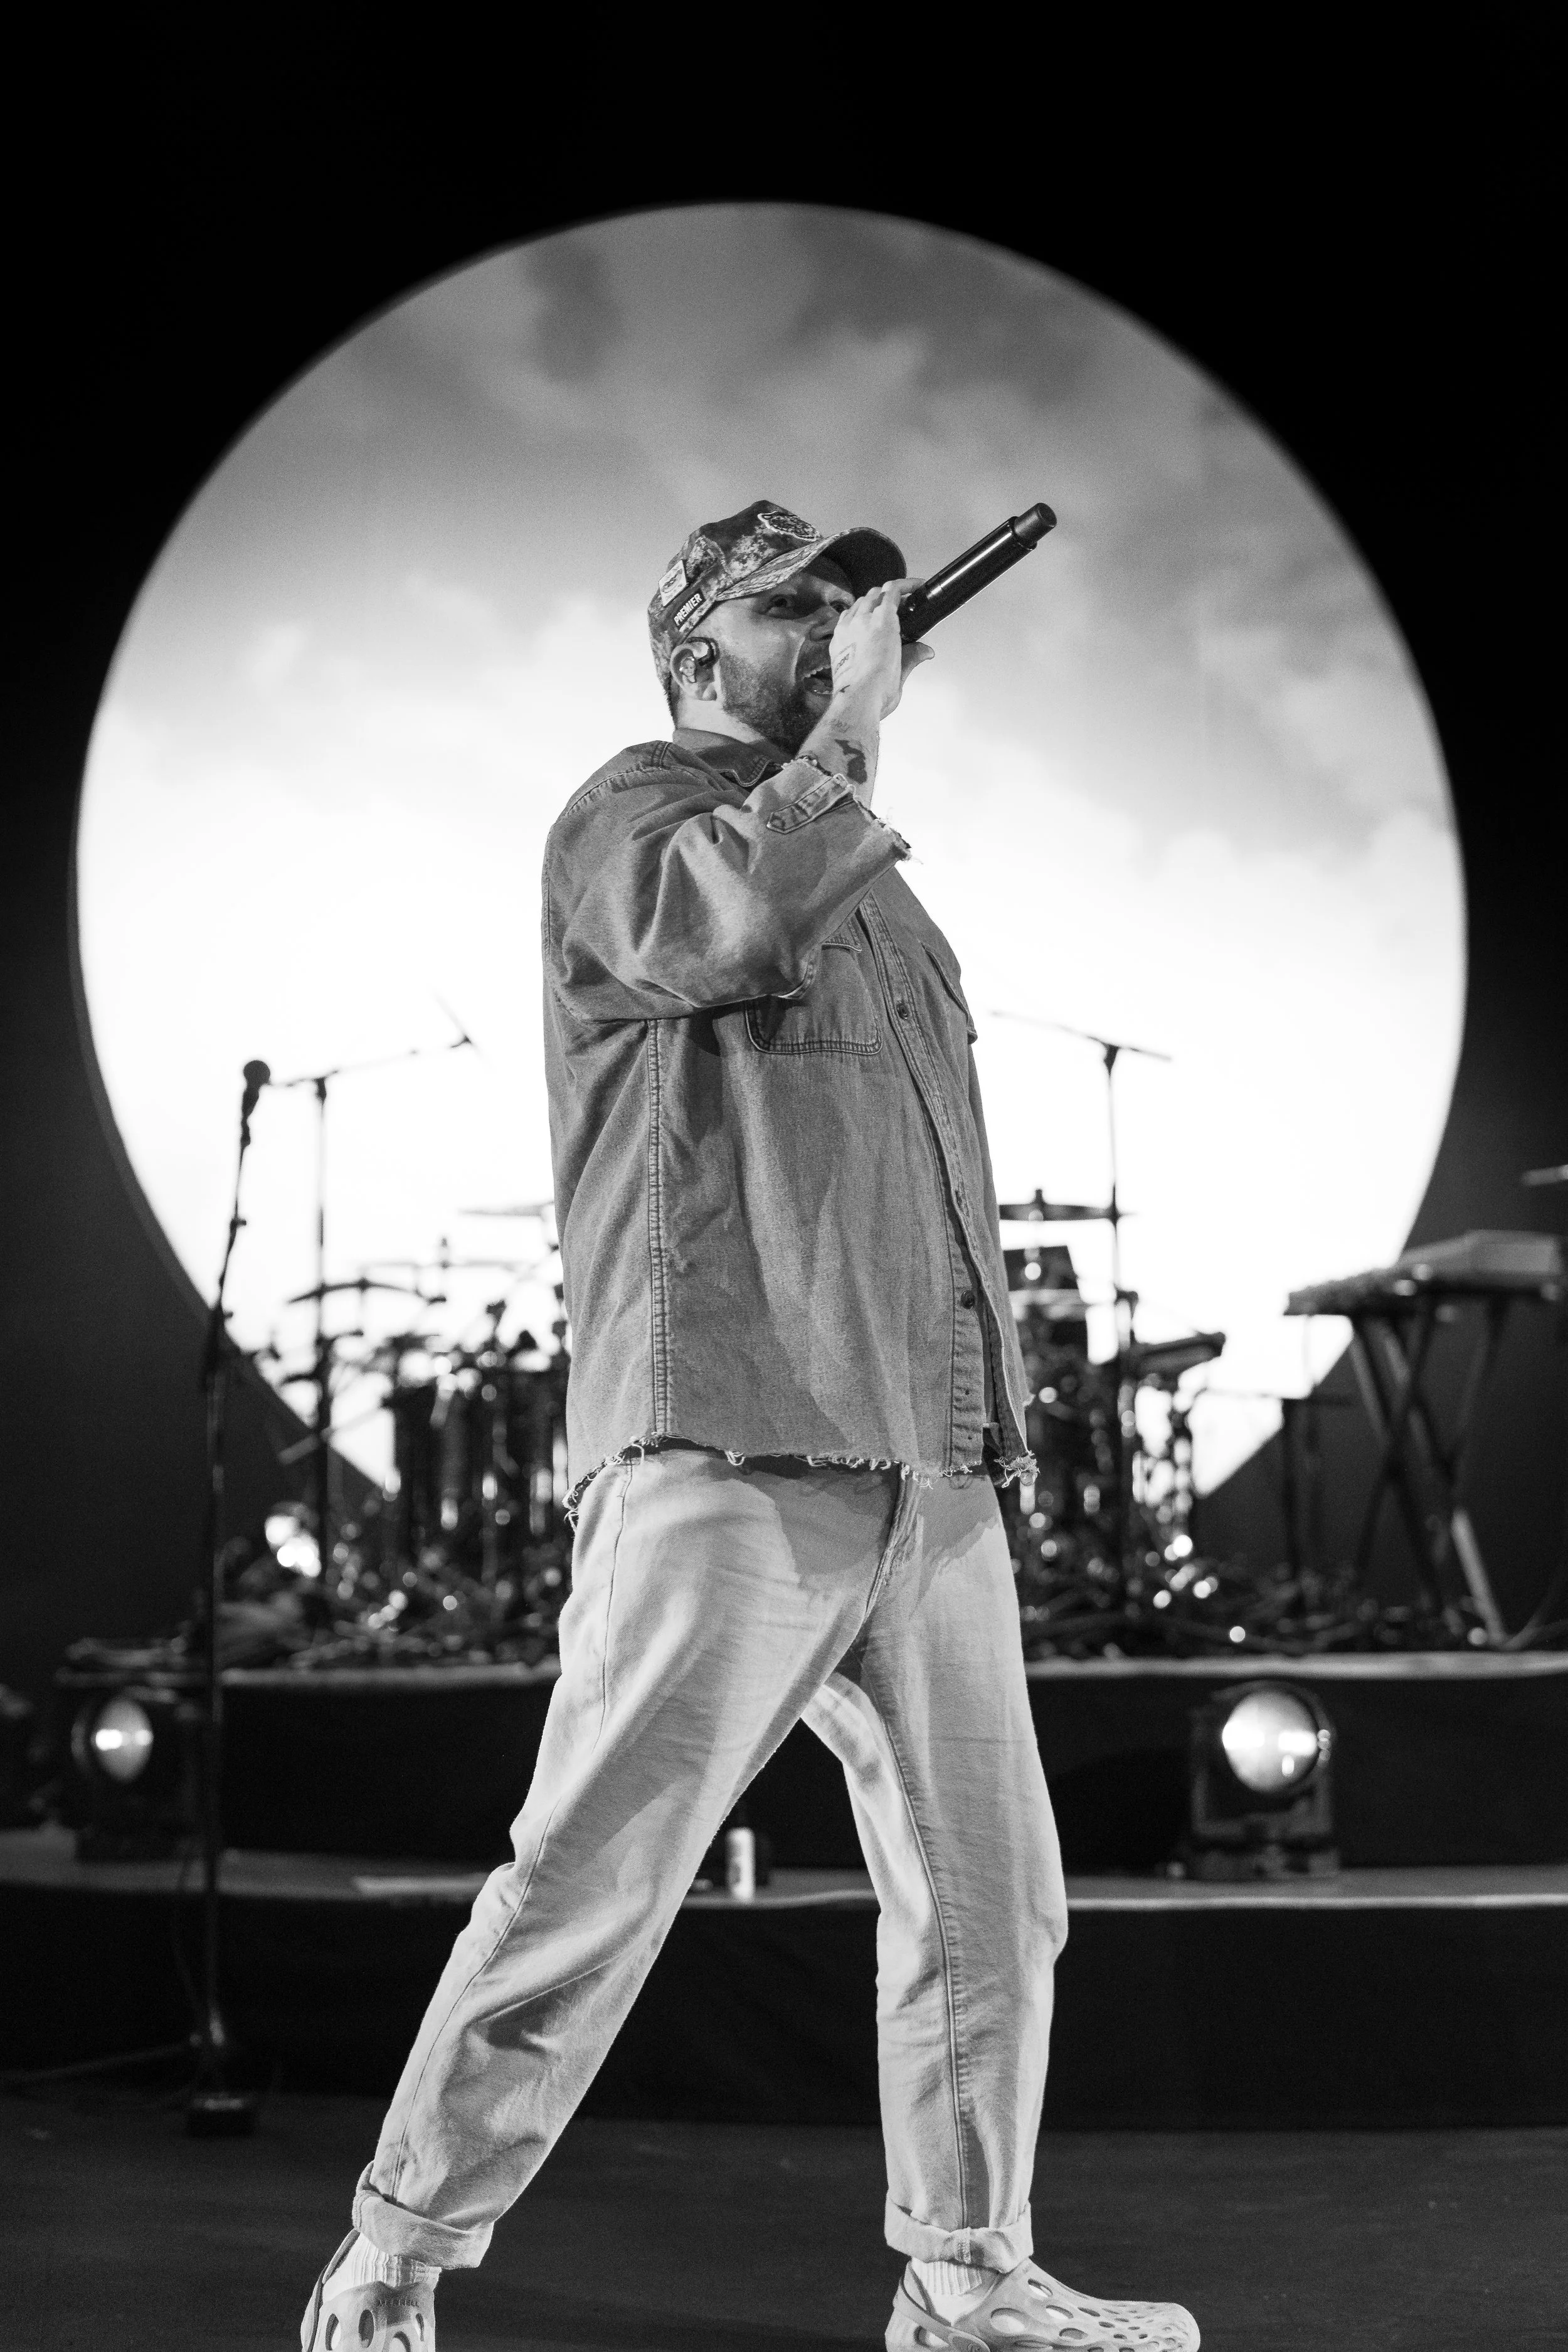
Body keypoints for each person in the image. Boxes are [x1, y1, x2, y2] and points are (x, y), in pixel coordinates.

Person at [302, 500, 1200, 2351]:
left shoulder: (875, 879)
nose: (851, 627)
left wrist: (986, 1431)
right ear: (706, 648)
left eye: (856, 610)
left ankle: (965, 2276)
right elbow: (715, 922)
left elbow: (934, 1177)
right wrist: (846, 734)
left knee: (988, 1895)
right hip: (728, 1428)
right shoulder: (635, 814)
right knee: (594, 1874)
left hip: (919, 1461)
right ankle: (395, 2254)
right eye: (805, 609)